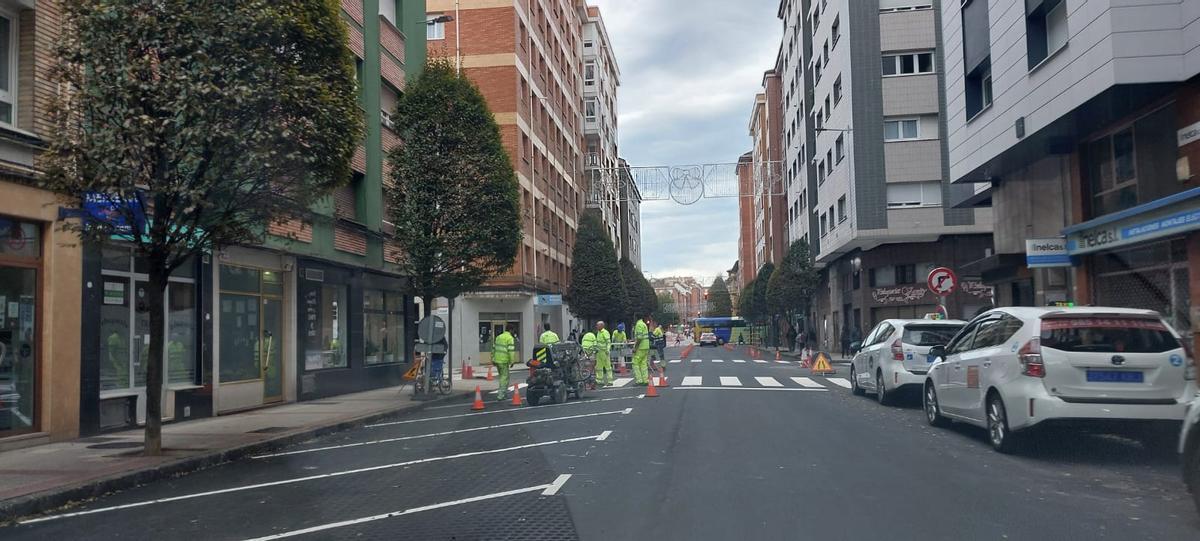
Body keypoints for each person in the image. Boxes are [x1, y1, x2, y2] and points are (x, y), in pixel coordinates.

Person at [492, 324, 516, 401]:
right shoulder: (510, 338)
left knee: (502, 376)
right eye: (513, 330)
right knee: (504, 378)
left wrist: (493, 358)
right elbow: (511, 351)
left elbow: (493, 348)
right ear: (511, 330)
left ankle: (504, 394)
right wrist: (512, 361)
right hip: (504, 361)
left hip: (497, 360)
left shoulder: (498, 337)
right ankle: (501, 395)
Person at [632, 315, 651, 385]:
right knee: (643, 364)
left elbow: (639, 338)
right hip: (646, 346)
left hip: (640, 347)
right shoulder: (644, 324)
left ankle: (639, 380)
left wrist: (635, 347)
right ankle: (645, 380)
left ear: (635, 318)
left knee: (635, 363)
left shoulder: (638, 325)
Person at [595, 321, 613, 386]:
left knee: (607, 366)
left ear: (602, 326)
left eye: (597, 325)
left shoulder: (605, 332)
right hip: (599, 352)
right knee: (599, 367)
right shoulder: (599, 332)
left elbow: (608, 342)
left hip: (604, 352)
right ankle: (599, 380)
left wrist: (608, 350)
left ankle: (610, 381)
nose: (596, 326)